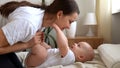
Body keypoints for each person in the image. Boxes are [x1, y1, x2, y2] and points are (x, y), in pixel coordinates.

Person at [0, 0, 80, 67]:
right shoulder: (29, 23)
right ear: (59, 14)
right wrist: (27, 44)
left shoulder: (42, 19)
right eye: (70, 22)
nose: (69, 27)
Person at [25, 23, 95, 68]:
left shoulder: (71, 57)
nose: (75, 44)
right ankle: (37, 41)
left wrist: (56, 27)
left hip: (33, 64)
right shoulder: (67, 55)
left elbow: (63, 45)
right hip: (35, 58)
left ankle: (32, 41)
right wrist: (44, 45)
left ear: (81, 57)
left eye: (78, 45)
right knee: (48, 48)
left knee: (42, 53)